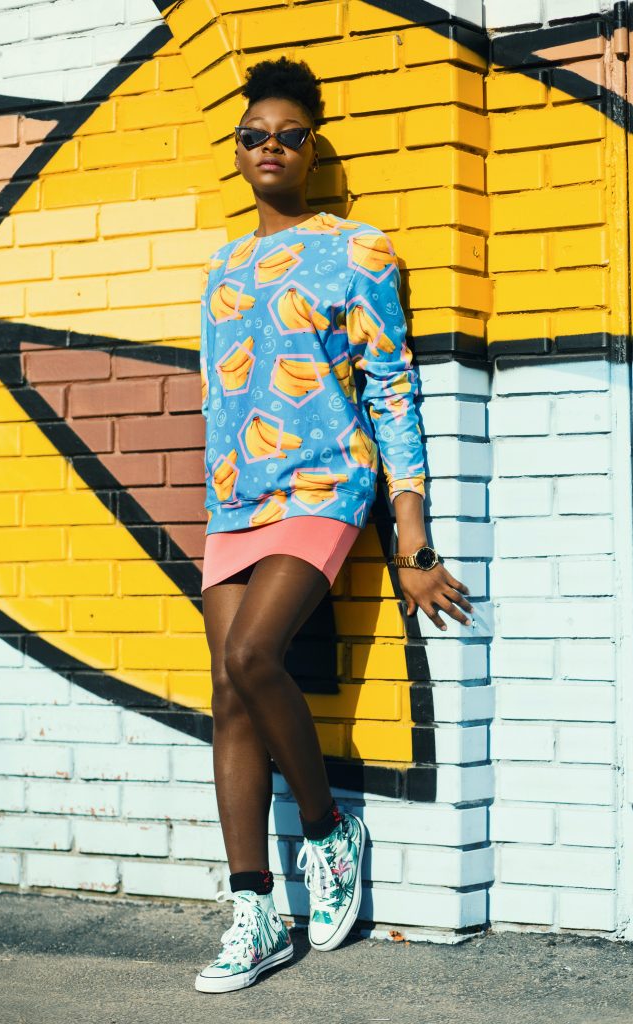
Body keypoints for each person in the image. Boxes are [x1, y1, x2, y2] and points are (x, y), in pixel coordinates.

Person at [195, 56, 473, 994]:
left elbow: (393, 390)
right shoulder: (224, 264)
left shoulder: (358, 248)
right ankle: (254, 910)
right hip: (236, 496)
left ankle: (326, 827)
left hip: (325, 487)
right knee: (227, 699)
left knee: (251, 659)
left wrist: (412, 537)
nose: (269, 146)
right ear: (235, 151)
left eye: (288, 134)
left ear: (310, 149)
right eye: (253, 135)